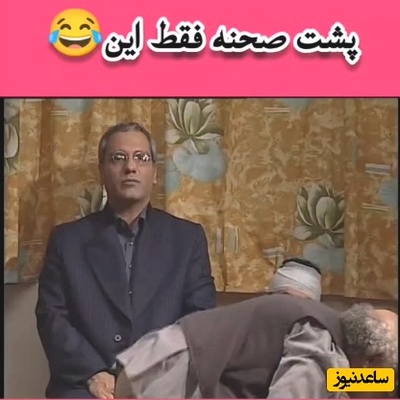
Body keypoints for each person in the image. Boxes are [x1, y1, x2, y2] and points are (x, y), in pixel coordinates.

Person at [36, 122, 216, 399]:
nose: (130, 167)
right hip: (85, 382)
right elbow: (52, 316)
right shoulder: (67, 240)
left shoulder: (187, 238)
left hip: (162, 380)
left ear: (154, 173)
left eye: (141, 158)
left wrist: (149, 376)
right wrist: (92, 373)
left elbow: (199, 319)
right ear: (102, 171)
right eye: (118, 158)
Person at [115, 295, 398, 399]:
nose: (385, 390)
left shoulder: (328, 329)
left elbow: (343, 380)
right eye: (387, 377)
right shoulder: (320, 339)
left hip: (156, 364)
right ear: (370, 362)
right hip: (163, 376)